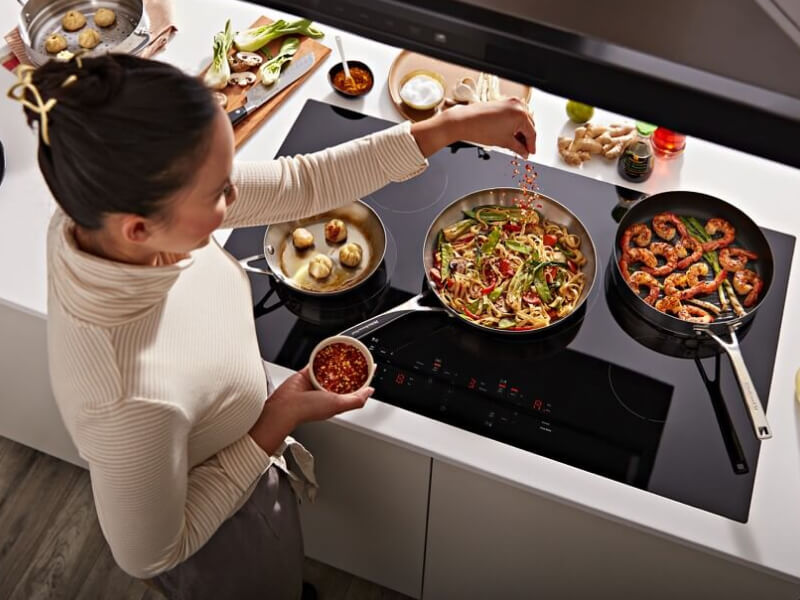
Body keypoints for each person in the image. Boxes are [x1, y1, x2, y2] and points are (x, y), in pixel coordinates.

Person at [8, 53, 536, 599]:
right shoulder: (126, 400)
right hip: (221, 537)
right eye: (220, 193)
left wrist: (451, 127)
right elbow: (152, 552)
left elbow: (298, 184)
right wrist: (275, 420)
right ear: (140, 229)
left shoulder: (94, 212)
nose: (235, 196)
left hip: (239, 446)